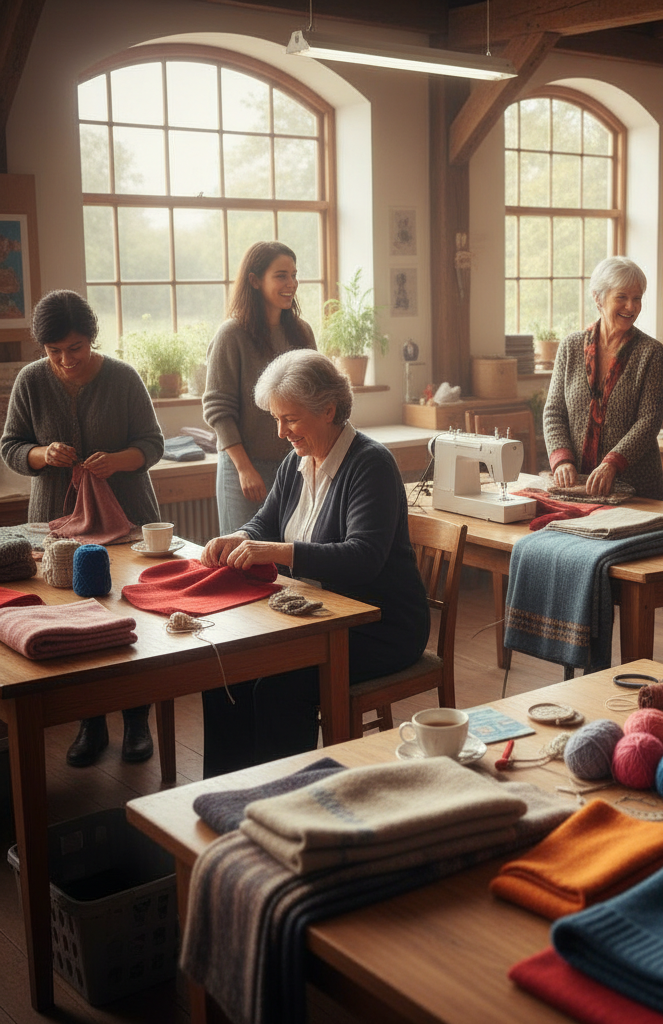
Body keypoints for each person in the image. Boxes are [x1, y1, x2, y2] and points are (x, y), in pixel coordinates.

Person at [199, 349, 430, 777]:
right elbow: (265, 521)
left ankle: (286, 797)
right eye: (276, 418)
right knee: (224, 670)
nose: (281, 431)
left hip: (379, 625)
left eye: (290, 419)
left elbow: (363, 559)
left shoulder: (371, 464)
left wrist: (280, 552)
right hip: (317, 616)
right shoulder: (297, 461)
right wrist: (241, 537)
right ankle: (226, 794)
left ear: (328, 410)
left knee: (279, 684)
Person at [0, 290, 164, 766]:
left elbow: (152, 445)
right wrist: (41, 454)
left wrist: (117, 461)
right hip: (58, 523)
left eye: (76, 348)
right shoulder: (31, 381)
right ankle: (90, 722)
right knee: (74, 620)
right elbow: (11, 446)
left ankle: (137, 719)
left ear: (92, 338)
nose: (67, 360)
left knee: (131, 615)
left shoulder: (123, 377)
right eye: (55, 352)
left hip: (127, 522)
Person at [203, 240, 316, 535]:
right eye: (281, 275)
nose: (291, 283)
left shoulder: (302, 332)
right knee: (243, 557)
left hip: (297, 465)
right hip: (245, 468)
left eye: (294, 274)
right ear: (254, 280)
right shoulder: (232, 334)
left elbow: (316, 396)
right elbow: (218, 410)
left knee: (288, 558)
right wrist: (244, 469)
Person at [543, 256, 663, 498]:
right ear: (598, 298)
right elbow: (554, 412)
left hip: (635, 487)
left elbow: (648, 421)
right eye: (622, 297)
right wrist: (562, 460)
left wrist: (612, 463)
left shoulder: (651, 352)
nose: (631, 307)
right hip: (577, 485)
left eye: (637, 298)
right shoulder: (571, 347)